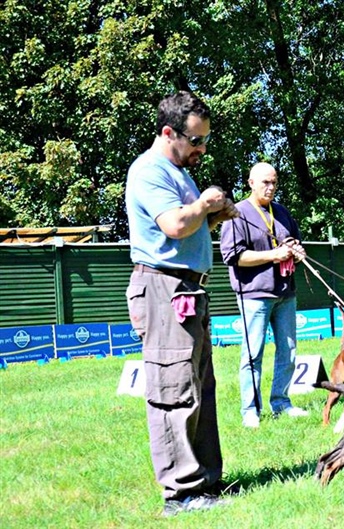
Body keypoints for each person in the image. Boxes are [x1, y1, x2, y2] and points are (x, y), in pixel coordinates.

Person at [125, 91, 239, 516]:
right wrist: (204, 204)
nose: (202, 149)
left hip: (188, 290)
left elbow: (188, 224)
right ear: (169, 132)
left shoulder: (177, 171)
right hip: (163, 291)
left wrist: (213, 215)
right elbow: (173, 225)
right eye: (196, 141)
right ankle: (180, 493)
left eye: (204, 140)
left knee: (200, 389)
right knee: (173, 391)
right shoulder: (148, 170)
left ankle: (207, 481)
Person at [220, 162, 308, 428]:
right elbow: (232, 256)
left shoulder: (281, 212)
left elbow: (295, 241)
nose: (270, 188)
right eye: (265, 183)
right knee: (252, 354)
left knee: (288, 351)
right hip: (254, 294)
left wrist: (297, 252)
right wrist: (273, 255)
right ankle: (250, 410)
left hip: (285, 292)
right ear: (250, 183)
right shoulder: (237, 214)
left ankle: (281, 402)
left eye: (274, 182)